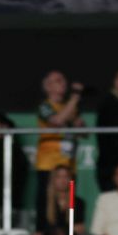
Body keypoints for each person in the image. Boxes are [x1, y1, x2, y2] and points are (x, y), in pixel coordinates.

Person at [34, 71, 85, 199]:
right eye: (58, 80)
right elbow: (57, 121)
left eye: (63, 80)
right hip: (49, 165)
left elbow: (84, 133)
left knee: (70, 202)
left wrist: (79, 124)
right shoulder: (44, 106)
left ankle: (70, 214)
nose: (63, 83)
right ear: (48, 87)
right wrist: (74, 99)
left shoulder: (70, 107)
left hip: (69, 165)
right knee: (48, 202)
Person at [34, 165, 87, 235]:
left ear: (71, 179)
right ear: (53, 180)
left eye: (66, 176)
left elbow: (78, 228)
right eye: (58, 176)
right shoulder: (43, 202)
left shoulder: (78, 202)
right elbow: (41, 228)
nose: (62, 180)